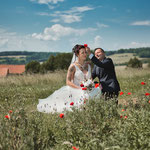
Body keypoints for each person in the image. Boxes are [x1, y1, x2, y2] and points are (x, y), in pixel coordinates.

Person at [37, 44, 101, 113]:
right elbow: (68, 82)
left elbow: (90, 78)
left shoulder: (88, 65)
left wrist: (90, 85)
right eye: (82, 53)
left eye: (85, 52)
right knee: (84, 98)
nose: (85, 54)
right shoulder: (72, 67)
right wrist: (80, 88)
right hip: (77, 89)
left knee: (98, 90)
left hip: (88, 89)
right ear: (77, 54)